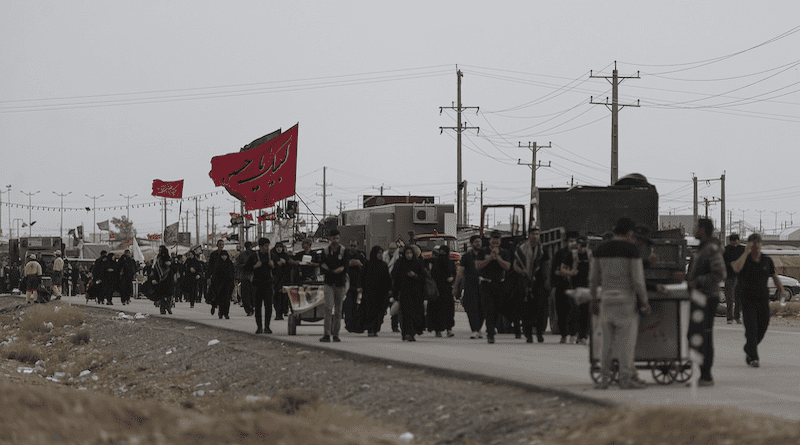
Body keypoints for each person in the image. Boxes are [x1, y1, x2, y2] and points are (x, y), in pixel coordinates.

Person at [589, 217, 650, 390]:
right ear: (630, 233)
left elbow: (593, 278)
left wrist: (593, 298)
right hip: (625, 301)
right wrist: (644, 301)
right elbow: (638, 280)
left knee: (607, 342)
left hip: (606, 299)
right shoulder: (632, 250)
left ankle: (604, 379)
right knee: (626, 343)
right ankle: (625, 378)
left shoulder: (600, 249)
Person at [732, 233, 783, 369]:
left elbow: (774, 276)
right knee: (752, 329)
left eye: (758, 243)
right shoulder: (744, 260)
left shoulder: (767, 260)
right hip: (748, 300)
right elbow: (736, 268)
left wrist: (781, 290)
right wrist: (745, 252)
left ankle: (749, 347)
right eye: (753, 243)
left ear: (761, 244)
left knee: (762, 328)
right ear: (749, 244)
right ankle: (754, 357)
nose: (756, 246)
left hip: (762, 300)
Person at [685, 218, 726, 386]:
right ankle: (700, 374)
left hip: (707, 297)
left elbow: (720, 273)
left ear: (702, 230)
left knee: (704, 335)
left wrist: (697, 282)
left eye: (696, 227)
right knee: (695, 335)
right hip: (699, 296)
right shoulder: (703, 248)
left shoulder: (711, 249)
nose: (694, 229)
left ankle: (706, 375)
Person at [513, 227, 550, 343]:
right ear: (529, 235)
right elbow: (515, 264)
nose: (535, 236)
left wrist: (548, 280)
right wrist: (522, 271)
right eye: (533, 234)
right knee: (526, 310)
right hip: (525, 282)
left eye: (537, 234)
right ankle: (528, 334)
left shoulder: (543, 250)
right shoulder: (521, 249)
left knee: (540, 309)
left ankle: (539, 333)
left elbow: (547, 265)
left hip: (539, 283)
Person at [475, 231, 511, 344]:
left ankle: (492, 327)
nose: (496, 241)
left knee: (497, 308)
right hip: (486, 284)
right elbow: (477, 265)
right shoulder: (483, 251)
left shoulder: (504, 252)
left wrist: (498, 258)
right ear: (490, 240)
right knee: (489, 308)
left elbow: (508, 266)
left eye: (498, 240)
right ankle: (490, 333)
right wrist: (490, 258)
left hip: (499, 284)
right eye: (494, 239)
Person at [319, 229, 350, 342]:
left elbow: (345, 266)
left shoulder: (343, 251)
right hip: (329, 283)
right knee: (328, 308)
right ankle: (326, 334)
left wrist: (339, 270)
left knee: (338, 310)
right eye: (333, 238)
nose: (334, 240)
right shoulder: (326, 251)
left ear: (339, 238)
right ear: (330, 239)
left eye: (336, 238)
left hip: (340, 283)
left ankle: (336, 334)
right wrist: (330, 270)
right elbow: (322, 265)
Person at [552, 232, 581, 344]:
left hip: (575, 286)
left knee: (575, 311)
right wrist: (567, 273)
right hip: (562, 286)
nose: (573, 243)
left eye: (574, 241)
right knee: (562, 311)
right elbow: (555, 270)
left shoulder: (580, 254)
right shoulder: (560, 254)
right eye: (570, 241)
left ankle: (574, 334)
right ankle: (564, 334)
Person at [392, 245, 426, 341]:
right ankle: (406, 333)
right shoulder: (400, 263)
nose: (409, 255)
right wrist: (395, 293)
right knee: (405, 314)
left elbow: (423, 277)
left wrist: (415, 275)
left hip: (416, 294)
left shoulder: (417, 263)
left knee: (415, 314)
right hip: (404, 293)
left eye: (411, 253)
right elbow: (396, 278)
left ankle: (412, 332)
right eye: (407, 253)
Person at [454, 235, 485, 339]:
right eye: (476, 242)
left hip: (483, 285)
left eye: (479, 242)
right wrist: (456, 286)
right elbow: (461, 272)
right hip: (470, 285)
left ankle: (479, 328)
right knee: (471, 308)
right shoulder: (466, 257)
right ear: (471, 244)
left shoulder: (485, 255)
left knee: (482, 308)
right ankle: (474, 330)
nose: (478, 244)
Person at [360, 245, 392, 337]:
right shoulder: (368, 264)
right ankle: (370, 329)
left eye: (381, 253)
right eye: (378, 253)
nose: (380, 255)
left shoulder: (383, 265)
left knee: (380, 312)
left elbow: (387, 279)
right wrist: (361, 287)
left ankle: (376, 328)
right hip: (370, 292)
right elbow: (362, 276)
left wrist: (390, 289)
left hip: (381, 293)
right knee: (370, 311)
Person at [246, 237, 275, 334]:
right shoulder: (254, 256)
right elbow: (246, 268)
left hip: (268, 283)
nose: (267, 248)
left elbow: (278, 269)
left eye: (268, 246)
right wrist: (255, 266)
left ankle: (267, 326)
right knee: (258, 306)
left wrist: (273, 265)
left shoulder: (271, 256)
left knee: (268, 306)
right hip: (257, 284)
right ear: (261, 246)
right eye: (266, 246)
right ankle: (259, 327)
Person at [427, 245, 456, 338]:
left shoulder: (450, 263)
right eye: (441, 251)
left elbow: (454, 273)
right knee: (437, 310)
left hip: (447, 290)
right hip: (437, 290)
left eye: (444, 251)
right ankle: (437, 329)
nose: (442, 254)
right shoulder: (434, 262)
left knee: (448, 310)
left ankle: (449, 329)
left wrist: (452, 278)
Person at [343, 239, 366, 333]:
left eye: (354, 246)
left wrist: (359, 264)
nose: (352, 247)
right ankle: (348, 325)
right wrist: (348, 264)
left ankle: (356, 325)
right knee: (348, 306)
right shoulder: (345, 255)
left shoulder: (361, 255)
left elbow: (366, 267)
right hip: (347, 284)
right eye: (351, 245)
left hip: (358, 284)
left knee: (357, 306)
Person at [573, 237, 592, 345]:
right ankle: (578, 334)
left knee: (586, 312)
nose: (583, 248)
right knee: (577, 312)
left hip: (587, 287)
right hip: (576, 287)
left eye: (585, 246)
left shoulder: (590, 255)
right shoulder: (573, 255)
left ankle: (583, 335)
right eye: (581, 245)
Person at [723, 234, 745, 325]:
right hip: (729, 276)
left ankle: (737, 316)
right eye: (733, 241)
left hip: (740, 276)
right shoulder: (726, 249)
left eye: (736, 241)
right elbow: (723, 262)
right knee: (729, 298)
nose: (735, 243)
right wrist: (730, 264)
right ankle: (729, 317)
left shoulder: (742, 249)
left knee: (739, 297)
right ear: (730, 241)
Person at [209, 249, 235, 319]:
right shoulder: (217, 263)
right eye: (223, 255)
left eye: (225, 256)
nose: (224, 257)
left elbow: (232, 274)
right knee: (220, 299)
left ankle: (226, 313)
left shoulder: (229, 264)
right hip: (219, 284)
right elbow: (215, 274)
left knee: (227, 300)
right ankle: (220, 312)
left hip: (227, 284)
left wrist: (232, 284)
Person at [271, 242, 294, 321]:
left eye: (280, 247)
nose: (279, 249)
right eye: (277, 247)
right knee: (277, 297)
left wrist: (285, 262)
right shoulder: (273, 256)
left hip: (285, 280)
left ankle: (284, 310)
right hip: (276, 280)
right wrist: (276, 264)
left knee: (284, 297)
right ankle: (278, 314)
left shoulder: (286, 256)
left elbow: (290, 267)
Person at [150, 246, 174, 315]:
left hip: (169, 279)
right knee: (162, 295)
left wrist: (170, 264)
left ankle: (169, 306)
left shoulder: (169, 259)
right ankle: (162, 308)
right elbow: (154, 269)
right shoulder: (157, 259)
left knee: (169, 294)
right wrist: (154, 278)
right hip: (160, 279)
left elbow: (174, 269)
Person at [235, 241, 255, 316]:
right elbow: (237, 264)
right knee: (245, 294)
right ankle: (249, 309)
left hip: (253, 276)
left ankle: (251, 307)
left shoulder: (254, 254)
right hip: (245, 276)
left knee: (252, 294)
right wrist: (245, 266)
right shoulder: (242, 255)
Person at [206, 240, 227, 309]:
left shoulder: (225, 254)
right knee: (216, 291)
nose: (221, 246)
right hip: (215, 276)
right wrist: (208, 277)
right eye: (220, 244)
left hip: (223, 276)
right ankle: (214, 303)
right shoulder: (213, 254)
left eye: (222, 244)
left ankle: (220, 305)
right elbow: (210, 266)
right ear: (217, 245)